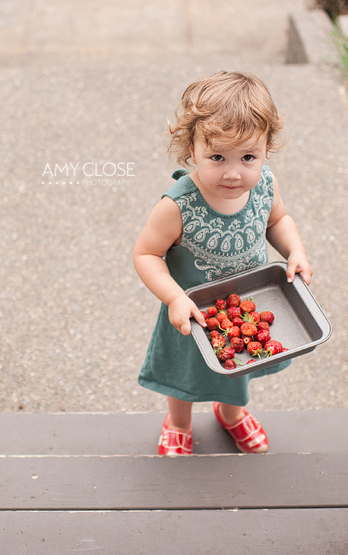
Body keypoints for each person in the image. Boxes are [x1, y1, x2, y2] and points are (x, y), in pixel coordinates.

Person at [133, 71, 313, 456]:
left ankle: (230, 413)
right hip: (192, 312)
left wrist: (294, 251)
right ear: (191, 150)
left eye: (249, 157)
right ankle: (179, 422)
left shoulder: (264, 183)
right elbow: (146, 254)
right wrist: (174, 298)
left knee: (240, 367)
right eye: (217, 157)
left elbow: (278, 220)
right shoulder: (177, 206)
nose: (234, 172)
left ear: (267, 149)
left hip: (246, 307)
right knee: (183, 374)